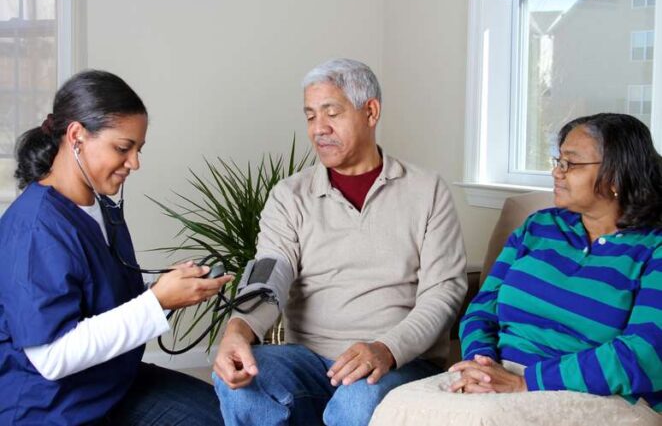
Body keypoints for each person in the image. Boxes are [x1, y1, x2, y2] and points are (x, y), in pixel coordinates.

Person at [211, 58, 468, 425]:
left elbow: (443, 293)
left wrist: (387, 349)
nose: (319, 129)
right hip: (309, 361)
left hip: (398, 362)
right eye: (310, 116)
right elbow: (270, 271)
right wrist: (239, 329)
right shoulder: (289, 195)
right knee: (241, 380)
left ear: (371, 112)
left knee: (356, 402)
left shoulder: (427, 191)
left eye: (332, 113)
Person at [370, 113, 662, 426]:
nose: (556, 172)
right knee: (397, 404)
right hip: (501, 374)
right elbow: (482, 308)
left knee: (481, 419)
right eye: (558, 161)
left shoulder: (653, 247)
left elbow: (644, 354)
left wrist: (527, 381)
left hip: (602, 393)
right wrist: (482, 364)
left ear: (615, 174)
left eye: (570, 163)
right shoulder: (538, 227)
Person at [0, 70, 229, 426]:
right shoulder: (35, 229)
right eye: (123, 148)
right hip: (51, 406)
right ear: (76, 136)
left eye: (138, 150)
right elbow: (52, 358)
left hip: (112, 381)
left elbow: (102, 299)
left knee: (229, 416)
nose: (134, 163)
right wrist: (158, 302)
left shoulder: (102, 207)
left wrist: (167, 290)